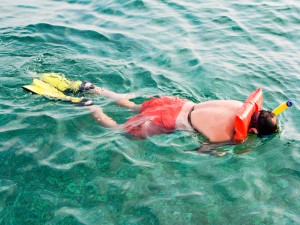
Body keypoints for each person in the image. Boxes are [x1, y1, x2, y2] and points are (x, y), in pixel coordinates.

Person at [23, 73, 278, 143]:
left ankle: (92, 89)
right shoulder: (227, 134)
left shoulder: (237, 104)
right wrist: (223, 150)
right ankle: (89, 106)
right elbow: (202, 150)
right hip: (171, 121)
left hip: (175, 102)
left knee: (133, 106)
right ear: (253, 130)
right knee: (120, 130)